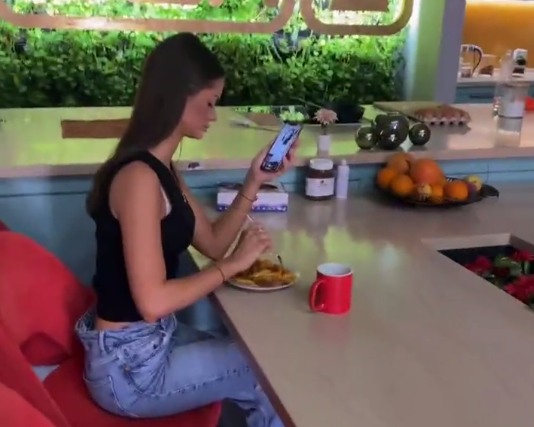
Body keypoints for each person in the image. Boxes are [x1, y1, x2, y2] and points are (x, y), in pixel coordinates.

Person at [75, 33, 297, 427]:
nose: (214, 115)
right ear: (179, 96)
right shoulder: (139, 179)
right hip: (129, 369)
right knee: (267, 369)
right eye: (210, 102)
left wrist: (253, 181)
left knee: (260, 361)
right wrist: (233, 266)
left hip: (151, 342)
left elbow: (212, 242)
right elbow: (153, 301)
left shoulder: (162, 169)